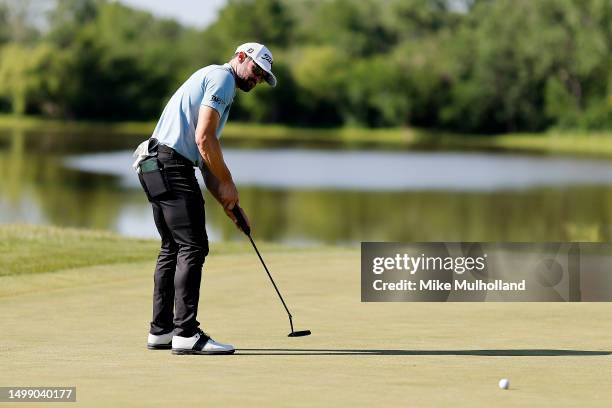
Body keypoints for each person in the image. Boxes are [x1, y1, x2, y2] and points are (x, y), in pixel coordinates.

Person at [134, 42, 277, 355]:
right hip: (171, 164)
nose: (256, 79)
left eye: (262, 77)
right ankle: (185, 332)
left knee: (173, 246)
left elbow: (204, 157)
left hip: (155, 165)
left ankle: (162, 330)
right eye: (255, 70)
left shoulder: (215, 81)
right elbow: (204, 140)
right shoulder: (223, 79)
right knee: (193, 245)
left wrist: (229, 203)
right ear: (240, 57)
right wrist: (229, 181)